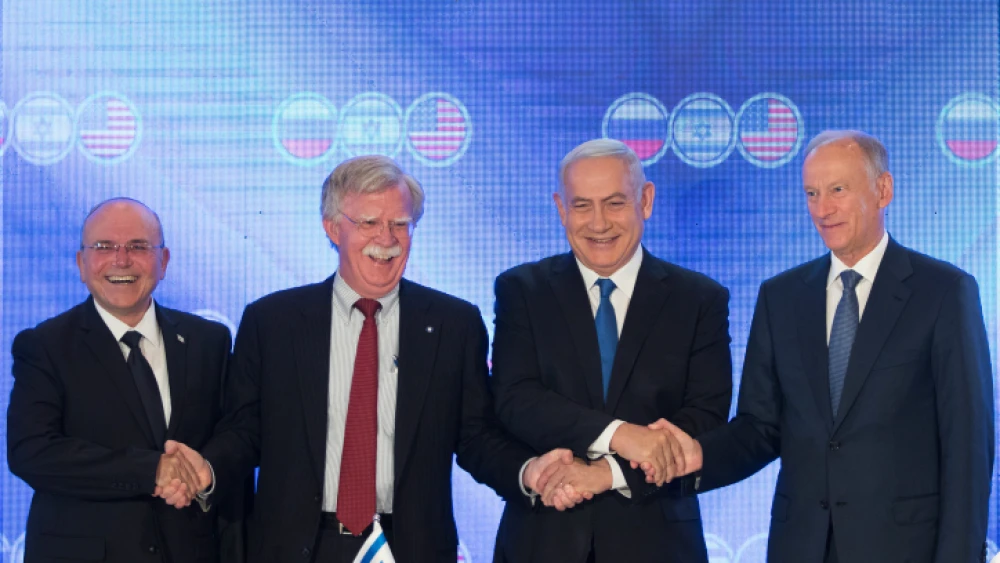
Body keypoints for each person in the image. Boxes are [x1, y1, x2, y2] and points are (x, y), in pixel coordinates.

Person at [164, 155, 579, 563]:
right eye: (369, 223)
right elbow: (245, 431)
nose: (387, 238)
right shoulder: (273, 322)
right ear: (332, 228)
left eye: (400, 223)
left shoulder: (454, 324)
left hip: (410, 548)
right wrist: (208, 468)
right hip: (298, 547)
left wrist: (528, 471)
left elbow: (475, 437)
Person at [658, 130, 995, 563]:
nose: (822, 209)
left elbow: (967, 447)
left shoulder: (944, 292)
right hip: (800, 548)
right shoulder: (780, 297)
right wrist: (699, 455)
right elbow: (761, 428)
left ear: (883, 190)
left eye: (838, 190)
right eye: (812, 193)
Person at [490, 138, 734, 563]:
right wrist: (622, 436)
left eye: (615, 203)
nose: (598, 223)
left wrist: (607, 474)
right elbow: (517, 400)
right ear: (560, 208)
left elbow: (704, 419)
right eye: (581, 205)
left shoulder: (699, 299)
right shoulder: (522, 290)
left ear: (646, 200)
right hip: (542, 542)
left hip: (658, 545)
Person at [8, 198, 236, 563]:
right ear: (82, 264)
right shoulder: (45, 345)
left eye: (138, 247)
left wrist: (205, 471)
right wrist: (152, 471)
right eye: (103, 247)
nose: (121, 260)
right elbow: (32, 452)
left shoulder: (209, 341)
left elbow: (236, 434)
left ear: (163, 262)